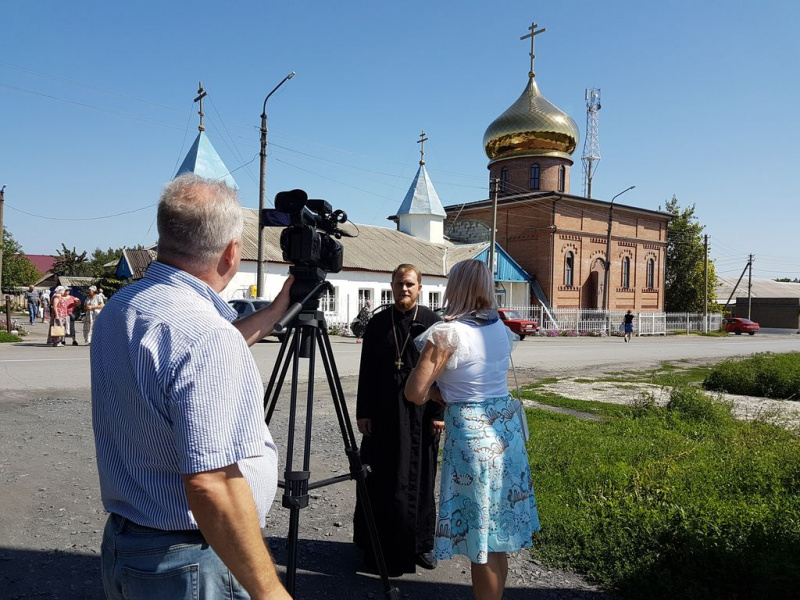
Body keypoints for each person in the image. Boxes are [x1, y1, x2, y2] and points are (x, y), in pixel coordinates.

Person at [91, 174, 293, 600]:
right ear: (232, 252)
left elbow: (193, 355)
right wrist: (271, 592)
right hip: (189, 562)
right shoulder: (205, 337)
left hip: (129, 545)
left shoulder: (122, 307)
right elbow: (211, 484)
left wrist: (275, 312)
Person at [405, 259, 540, 600]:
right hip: (505, 432)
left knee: (481, 538)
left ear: (456, 287)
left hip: (472, 435)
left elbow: (414, 392)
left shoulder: (447, 334)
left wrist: (444, 393)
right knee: (497, 535)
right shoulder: (499, 327)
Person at [353, 264, 444, 577]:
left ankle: (421, 544)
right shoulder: (379, 323)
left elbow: (443, 375)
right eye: (398, 284)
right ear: (391, 286)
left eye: (409, 284)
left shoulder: (433, 324)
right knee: (379, 479)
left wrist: (439, 415)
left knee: (421, 478)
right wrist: (363, 411)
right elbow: (366, 370)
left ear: (420, 287)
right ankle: (373, 544)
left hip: (420, 415)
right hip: (382, 414)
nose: (403, 289)